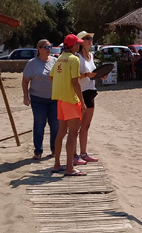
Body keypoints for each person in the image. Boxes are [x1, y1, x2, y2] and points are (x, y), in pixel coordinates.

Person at [49, 34, 86, 176]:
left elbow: (51, 77)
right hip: (71, 99)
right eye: (78, 44)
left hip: (60, 99)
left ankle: (57, 164)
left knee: (61, 132)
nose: (79, 46)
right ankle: (70, 167)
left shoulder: (59, 59)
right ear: (73, 46)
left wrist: (61, 86)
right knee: (72, 133)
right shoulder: (74, 59)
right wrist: (82, 102)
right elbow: (75, 82)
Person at [21, 39, 59, 160]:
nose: (49, 50)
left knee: (55, 124)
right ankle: (38, 151)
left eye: (50, 47)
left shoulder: (55, 61)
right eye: (47, 47)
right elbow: (25, 81)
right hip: (38, 99)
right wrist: (25, 96)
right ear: (39, 49)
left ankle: (54, 149)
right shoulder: (32, 63)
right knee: (39, 124)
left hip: (54, 98)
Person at [74, 31, 100, 164]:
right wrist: (86, 75)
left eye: (90, 38)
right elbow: (73, 78)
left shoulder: (91, 55)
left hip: (90, 92)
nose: (90, 40)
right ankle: (74, 155)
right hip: (80, 93)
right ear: (80, 42)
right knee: (75, 126)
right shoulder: (77, 57)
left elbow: (92, 73)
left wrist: (98, 75)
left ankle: (83, 153)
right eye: (87, 38)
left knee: (86, 125)